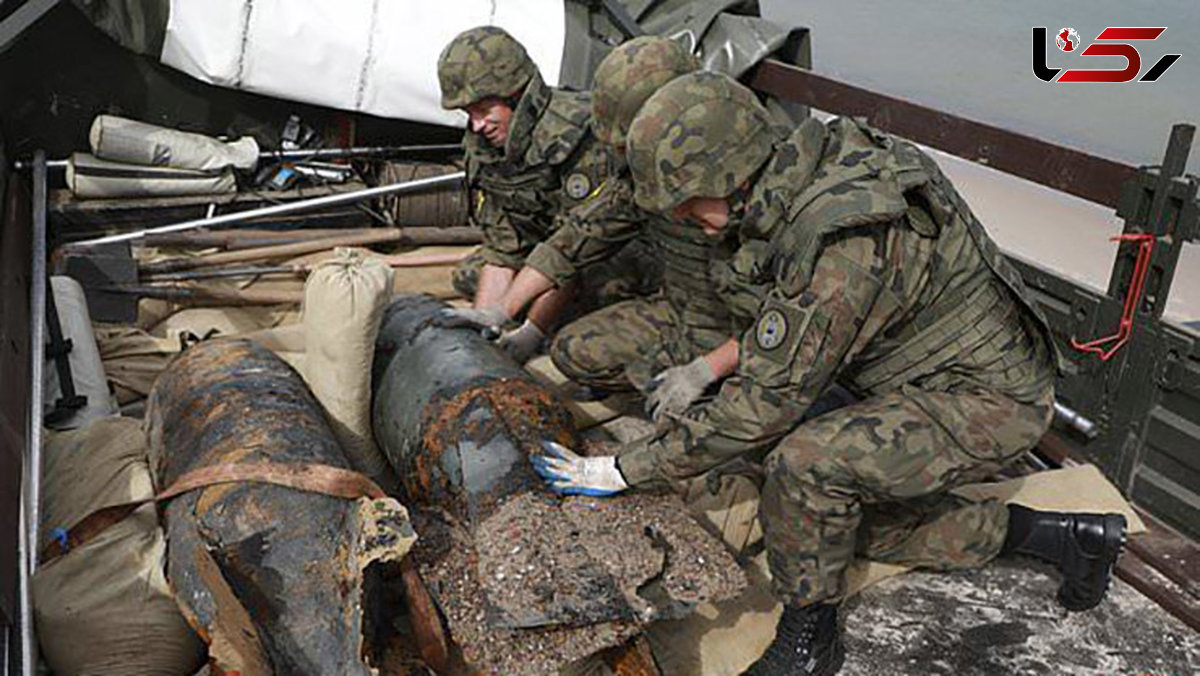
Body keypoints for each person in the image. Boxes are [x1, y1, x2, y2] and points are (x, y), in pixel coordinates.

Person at [530, 71, 1128, 676]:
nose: (683, 216)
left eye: (687, 199)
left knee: (804, 468)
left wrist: (625, 469)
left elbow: (766, 405)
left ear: (728, 174)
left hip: (989, 402)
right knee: (818, 523)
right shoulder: (805, 171)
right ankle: (1062, 537)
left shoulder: (841, 237)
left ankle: (810, 644)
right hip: (924, 377)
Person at [436, 26, 655, 361]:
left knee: (606, 293)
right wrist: (484, 327)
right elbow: (503, 244)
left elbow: (577, 244)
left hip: (602, 252)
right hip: (547, 253)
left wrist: (531, 332)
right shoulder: (485, 147)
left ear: (517, 94)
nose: (478, 125)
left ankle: (556, 322)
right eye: (469, 114)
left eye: (483, 109)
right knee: (469, 275)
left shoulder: (578, 136)